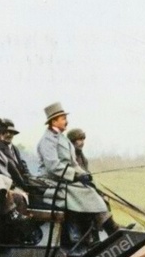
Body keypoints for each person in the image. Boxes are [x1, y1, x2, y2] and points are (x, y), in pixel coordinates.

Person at [37, 101, 119, 239]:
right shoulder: (47, 140)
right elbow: (53, 166)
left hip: (65, 180)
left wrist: (84, 175)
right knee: (88, 194)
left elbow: (73, 163)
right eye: (63, 118)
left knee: (91, 190)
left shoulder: (63, 139)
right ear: (54, 121)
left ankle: (99, 232)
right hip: (52, 182)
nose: (66, 121)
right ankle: (103, 231)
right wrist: (75, 176)